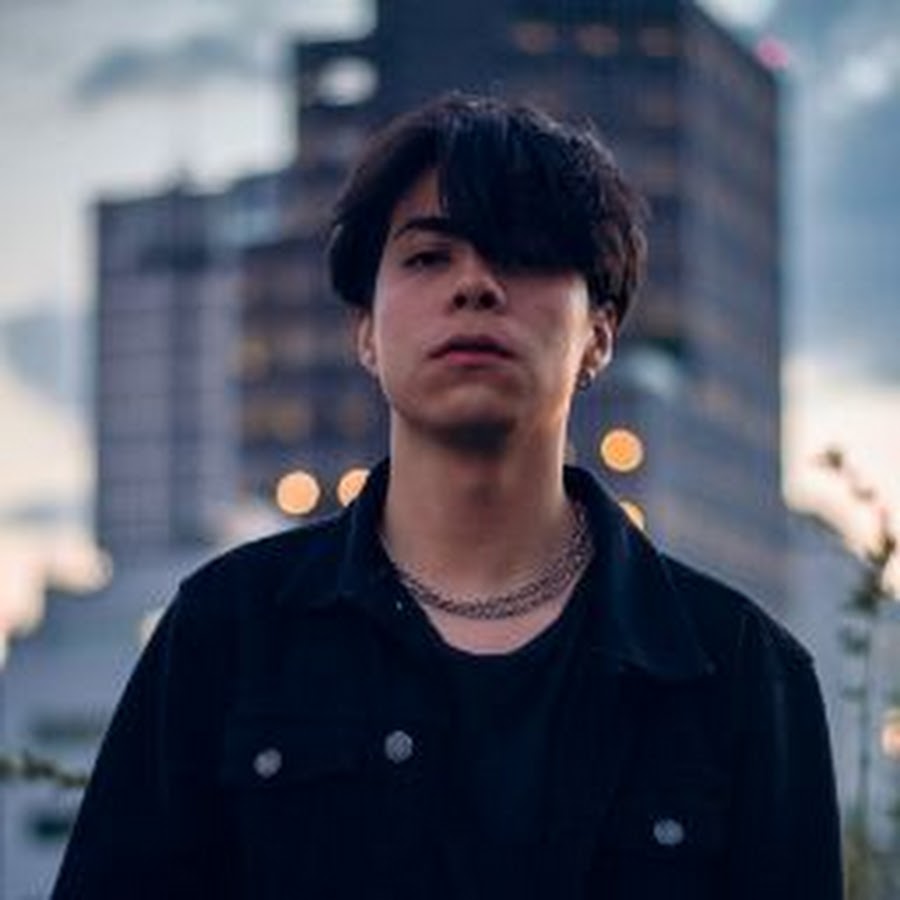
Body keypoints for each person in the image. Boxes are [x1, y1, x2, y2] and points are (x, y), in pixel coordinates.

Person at [53, 94, 842, 899]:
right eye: (429, 257)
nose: (475, 285)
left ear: (599, 334)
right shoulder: (229, 630)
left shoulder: (742, 672)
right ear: (366, 331)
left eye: (524, 254)